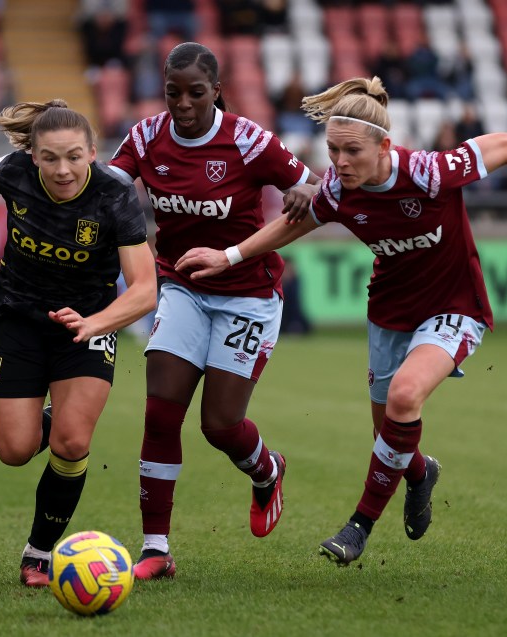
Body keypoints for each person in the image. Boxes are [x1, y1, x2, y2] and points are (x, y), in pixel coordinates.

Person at [175, 77, 507, 566]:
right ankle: (421, 473)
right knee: (390, 434)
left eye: (352, 151)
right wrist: (229, 256)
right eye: (333, 150)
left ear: (385, 146)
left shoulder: (429, 172)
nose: (339, 163)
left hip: (454, 306)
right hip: (388, 313)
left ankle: (358, 526)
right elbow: (292, 224)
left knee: (405, 397)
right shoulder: (340, 191)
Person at [107, 41, 321, 580]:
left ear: (217, 92)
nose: (182, 104)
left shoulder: (249, 141)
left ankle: (267, 468)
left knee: (220, 424)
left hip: (247, 294)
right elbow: (107, 188)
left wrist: (303, 192)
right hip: (180, 286)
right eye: (172, 92)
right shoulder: (146, 136)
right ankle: (155, 548)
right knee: (161, 411)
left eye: (195, 93)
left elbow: (314, 189)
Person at [0, 99, 157, 587]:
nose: (63, 169)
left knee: (73, 441)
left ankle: (39, 552)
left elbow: (144, 290)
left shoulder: (115, 194)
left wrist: (97, 323)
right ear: (33, 156)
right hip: (18, 318)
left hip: (87, 325)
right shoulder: (14, 172)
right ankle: (46, 420)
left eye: (75, 156)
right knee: (14, 449)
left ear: (93, 153)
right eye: (51, 157)